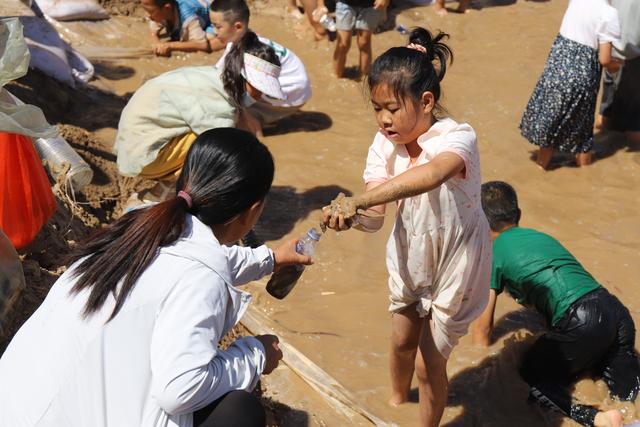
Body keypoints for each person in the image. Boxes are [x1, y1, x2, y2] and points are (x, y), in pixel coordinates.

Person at [0, 128, 313, 427]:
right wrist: (255, 354)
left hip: (13, 405)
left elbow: (192, 257)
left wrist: (270, 259)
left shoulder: (139, 223)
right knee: (240, 412)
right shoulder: (202, 278)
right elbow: (179, 390)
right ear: (253, 211)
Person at [322, 28, 491, 426]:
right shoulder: (382, 146)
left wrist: (359, 201)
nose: (383, 119)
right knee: (401, 342)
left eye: (392, 108)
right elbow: (376, 216)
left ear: (426, 101)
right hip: (410, 252)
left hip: (457, 259)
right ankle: (393, 405)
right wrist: (349, 219)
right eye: (377, 109)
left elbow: (432, 175)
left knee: (429, 363)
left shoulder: (458, 137)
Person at [472, 181, 640, 427]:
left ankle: (597, 418)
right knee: (628, 394)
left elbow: (481, 334)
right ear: (518, 215)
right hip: (614, 311)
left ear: (479, 222)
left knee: (530, 374)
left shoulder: (493, 253)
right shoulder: (540, 237)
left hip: (582, 319)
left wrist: (476, 359)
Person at [114, 30, 284, 202]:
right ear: (244, 78)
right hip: (143, 154)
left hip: (134, 141)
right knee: (222, 151)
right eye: (259, 89)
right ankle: (160, 194)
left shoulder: (214, 78)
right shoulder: (218, 103)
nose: (259, 96)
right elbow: (224, 153)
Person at [519, 0, 623, 170]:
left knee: (553, 120)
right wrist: (617, 65)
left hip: (557, 65)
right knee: (583, 132)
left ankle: (540, 166)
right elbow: (604, 59)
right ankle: (585, 174)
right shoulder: (608, 14)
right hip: (583, 72)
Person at [210, 0, 312, 131]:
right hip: (295, 82)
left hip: (293, 91)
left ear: (238, 27)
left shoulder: (252, 55)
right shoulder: (241, 40)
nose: (214, 31)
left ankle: (256, 139)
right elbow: (215, 73)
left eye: (218, 27)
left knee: (239, 112)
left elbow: (254, 94)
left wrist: (237, 108)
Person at [598, 0, 640, 142]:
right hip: (633, 57)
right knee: (634, 124)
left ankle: (605, 144)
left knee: (606, 111)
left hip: (610, 51)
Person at [315, 0, 388, 78]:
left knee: (364, 42)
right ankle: (336, 76)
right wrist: (320, 5)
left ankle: (364, 78)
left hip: (371, 5)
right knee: (343, 44)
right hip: (344, 3)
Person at [141, 0, 226, 56]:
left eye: (150, 12)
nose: (148, 16)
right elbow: (153, 32)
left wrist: (170, 45)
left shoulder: (187, 16)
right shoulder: (162, 11)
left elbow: (202, 45)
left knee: (208, 41)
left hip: (211, 19)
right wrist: (157, 43)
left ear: (167, 8)